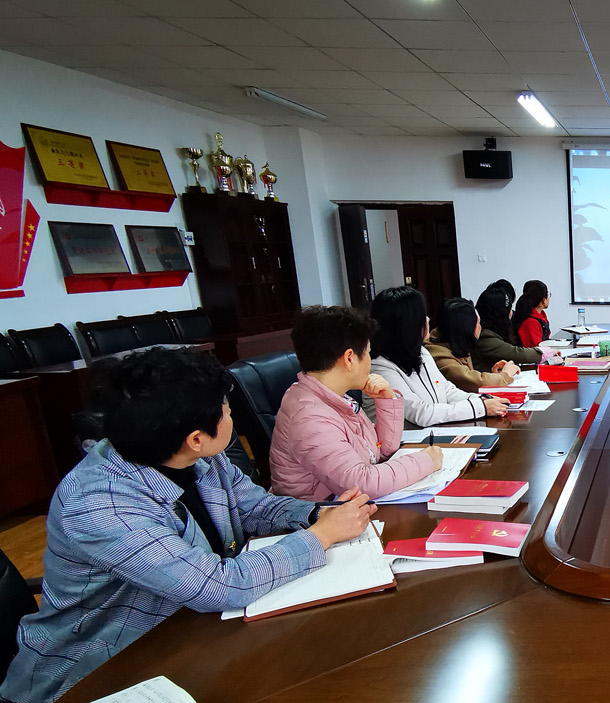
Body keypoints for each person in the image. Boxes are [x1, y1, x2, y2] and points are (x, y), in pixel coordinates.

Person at [0, 348, 376, 703]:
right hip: (96, 675)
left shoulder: (194, 456)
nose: (231, 414)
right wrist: (321, 536)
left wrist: (317, 514)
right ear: (196, 438)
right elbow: (220, 586)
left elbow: (256, 507)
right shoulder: (99, 504)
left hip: (188, 636)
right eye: (226, 408)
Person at [270, 305, 443, 501]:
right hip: (320, 513)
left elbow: (381, 451)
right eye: (368, 353)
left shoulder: (335, 397)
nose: (369, 360)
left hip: (346, 507)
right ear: (349, 358)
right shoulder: (309, 417)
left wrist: (386, 400)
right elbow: (362, 483)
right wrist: (427, 461)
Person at [364, 286, 508, 428]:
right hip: (405, 441)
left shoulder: (421, 352)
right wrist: (479, 407)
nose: (427, 319)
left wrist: (482, 400)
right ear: (408, 324)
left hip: (435, 434)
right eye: (422, 315)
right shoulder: (379, 367)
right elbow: (421, 413)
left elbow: (447, 390)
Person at [427, 297, 520, 392]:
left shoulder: (455, 343)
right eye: (478, 323)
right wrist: (505, 375)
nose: (480, 327)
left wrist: (494, 375)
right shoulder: (441, 357)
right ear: (467, 329)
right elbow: (476, 383)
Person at [472, 285, 544, 372]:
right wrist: (545, 352)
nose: (511, 313)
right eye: (508, 309)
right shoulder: (485, 337)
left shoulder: (496, 330)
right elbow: (517, 353)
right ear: (500, 315)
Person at [511, 279, 552, 347]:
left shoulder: (541, 316)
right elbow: (535, 349)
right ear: (543, 300)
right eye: (547, 294)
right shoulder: (531, 322)